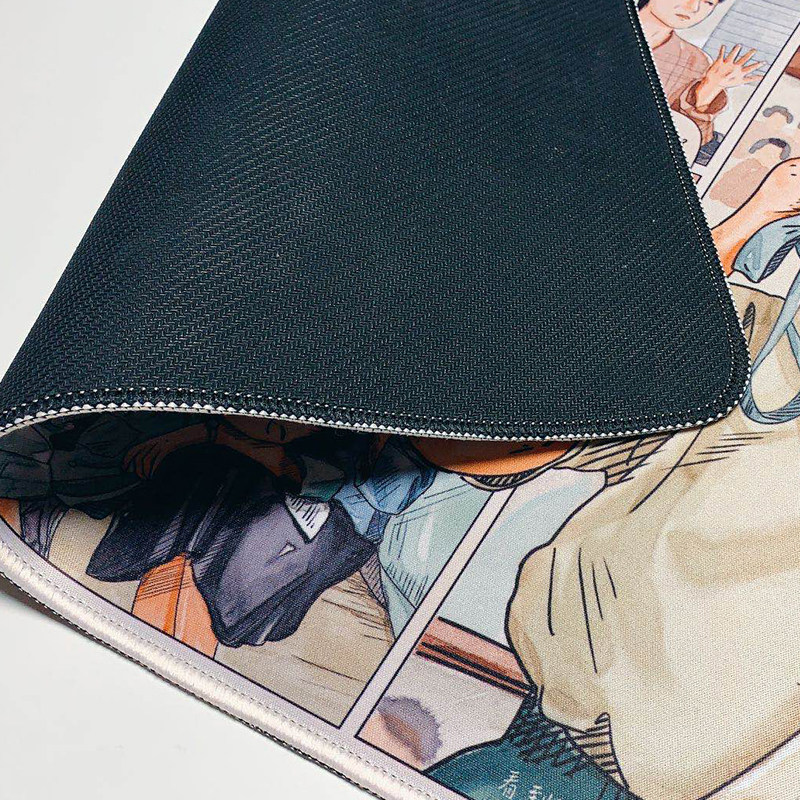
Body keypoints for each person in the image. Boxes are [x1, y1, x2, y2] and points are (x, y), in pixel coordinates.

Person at [638, 0, 763, 144]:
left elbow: (692, 142)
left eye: (708, 2)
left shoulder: (697, 62)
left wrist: (709, 89)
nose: (693, 7)